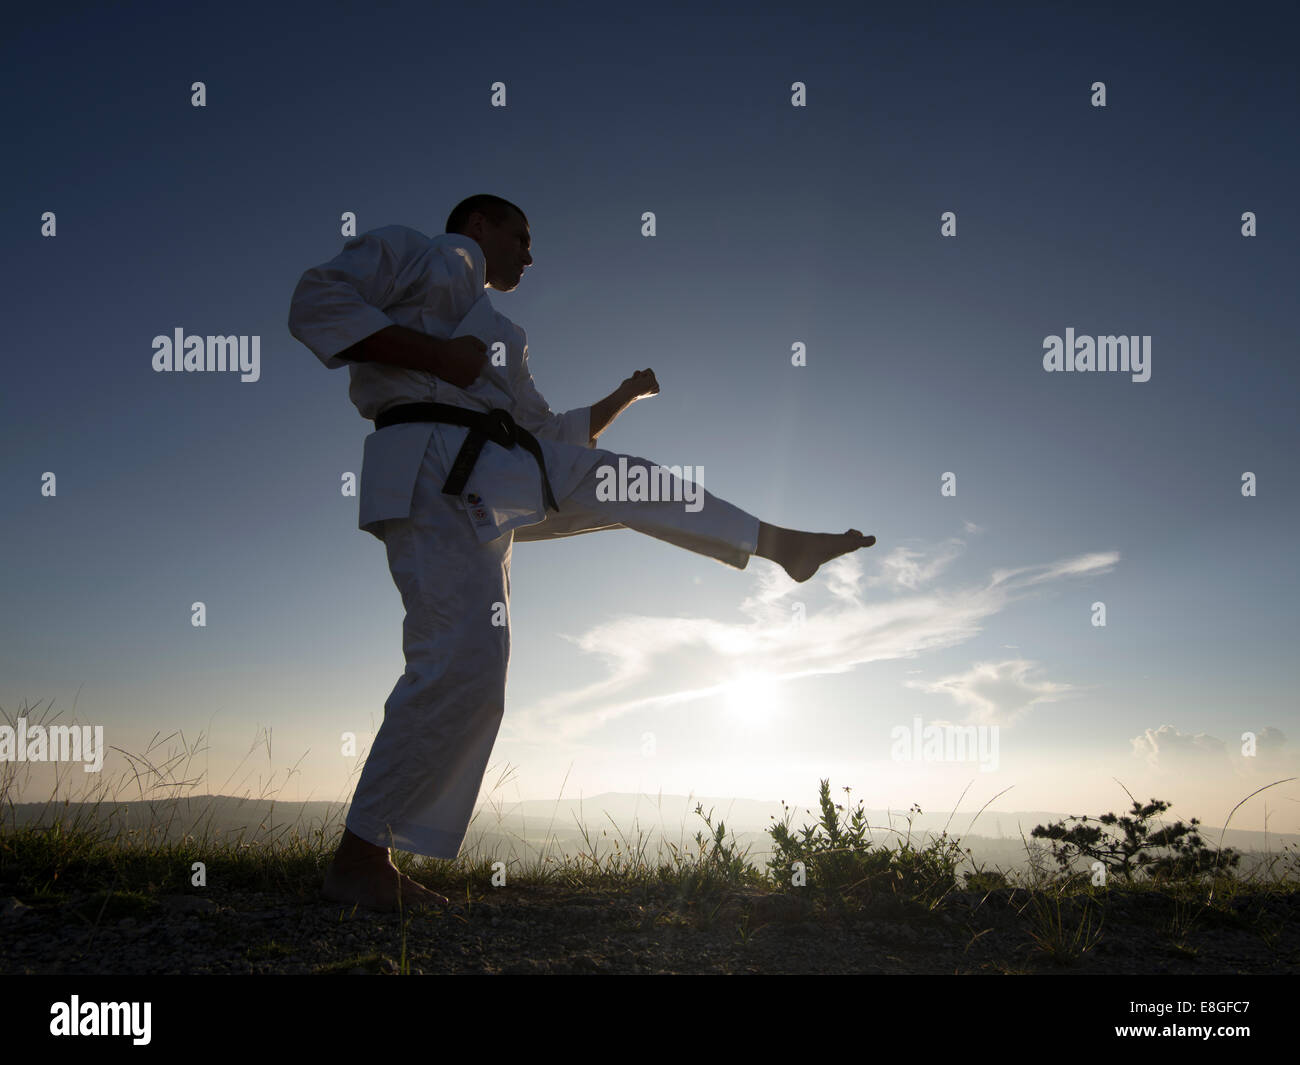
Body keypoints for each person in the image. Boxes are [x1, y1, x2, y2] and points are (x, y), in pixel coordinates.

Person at [288, 194, 874, 911]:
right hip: (426, 462)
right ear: (477, 224)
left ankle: (774, 541)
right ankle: (360, 859)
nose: (530, 256)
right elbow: (315, 301)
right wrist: (435, 354)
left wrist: (624, 394)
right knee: (466, 661)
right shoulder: (414, 251)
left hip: (503, 466)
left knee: (621, 477)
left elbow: (548, 429)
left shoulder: (507, 332)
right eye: (521, 236)